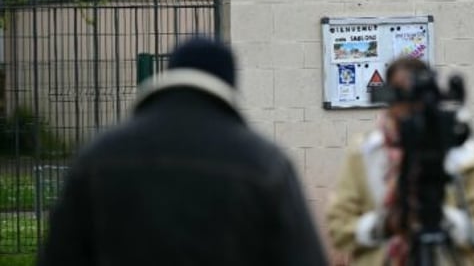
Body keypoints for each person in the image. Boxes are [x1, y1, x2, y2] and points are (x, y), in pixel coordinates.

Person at [38, 36, 327, 266]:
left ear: (171, 75)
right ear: (229, 86)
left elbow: (59, 255)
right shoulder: (264, 163)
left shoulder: (99, 156)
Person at [326, 57, 474, 265]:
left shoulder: (463, 153)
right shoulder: (364, 153)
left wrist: (439, 220)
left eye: (416, 96)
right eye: (401, 95)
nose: (408, 107)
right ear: (388, 98)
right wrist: (386, 224)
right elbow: (339, 227)